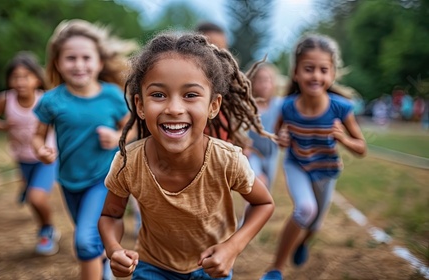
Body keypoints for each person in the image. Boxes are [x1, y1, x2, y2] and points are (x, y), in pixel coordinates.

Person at [98, 32, 276, 280]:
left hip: (210, 269)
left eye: (190, 95)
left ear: (213, 105)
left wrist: (231, 248)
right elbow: (110, 215)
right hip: (151, 267)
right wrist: (113, 249)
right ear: (139, 105)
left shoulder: (227, 160)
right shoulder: (128, 162)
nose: (174, 108)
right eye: (158, 95)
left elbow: (264, 203)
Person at [32, 19, 136, 280]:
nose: (79, 65)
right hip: (69, 181)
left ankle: (98, 266)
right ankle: (103, 263)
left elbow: (133, 129)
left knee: (84, 242)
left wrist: (117, 137)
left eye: (86, 58)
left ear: (99, 62)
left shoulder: (112, 95)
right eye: (70, 58)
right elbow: (37, 137)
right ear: (57, 62)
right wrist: (41, 151)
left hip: (104, 179)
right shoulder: (51, 100)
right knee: (91, 234)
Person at [261, 34, 367, 280]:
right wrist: (281, 139)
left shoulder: (340, 108)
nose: (316, 76)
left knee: (314, 225)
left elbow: (361, 148)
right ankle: (275, 269)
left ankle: (302, 243)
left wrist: (344, 139)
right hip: (297, 165)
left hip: (326, 172)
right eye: (309, 69)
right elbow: (277, 136)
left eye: (323, 70)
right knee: (305, 210)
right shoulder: (287, 106)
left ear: (332, 74)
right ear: (296, 72)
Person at [0, 51, 59, 256]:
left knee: (36, 198)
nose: (20, 81)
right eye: (15, 77)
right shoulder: (5, 99)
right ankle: (28, 191)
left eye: (25, 76)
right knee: (30, 194)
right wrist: (4, 126)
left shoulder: (45, 99)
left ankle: (47, 231)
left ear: (36, 78)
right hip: (22, 156)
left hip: (46, 157)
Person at [245, 60, 283, 190]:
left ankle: (257, 209)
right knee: (257, 184)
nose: (265, 85)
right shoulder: (248, 106)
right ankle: (249, 209)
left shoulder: (279, 104)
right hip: (253, 153)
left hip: (272, 154)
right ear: (252, 82)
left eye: (268, 80)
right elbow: (240, 129)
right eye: (260, 80)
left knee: (267, 190)